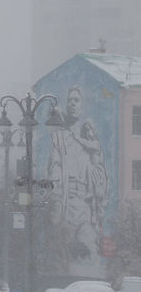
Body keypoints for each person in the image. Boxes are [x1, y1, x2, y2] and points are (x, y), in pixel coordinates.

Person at [47, 85, 108, 262]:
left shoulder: (88, 136)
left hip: (85, 203)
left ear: (82, 106)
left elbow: (99, 172)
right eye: (69, 100)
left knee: (89, 247)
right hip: (65, 202)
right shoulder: (59, 137)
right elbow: (54, 168)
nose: (72, 104)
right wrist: (55, 196)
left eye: (76, 100)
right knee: (62, 253)